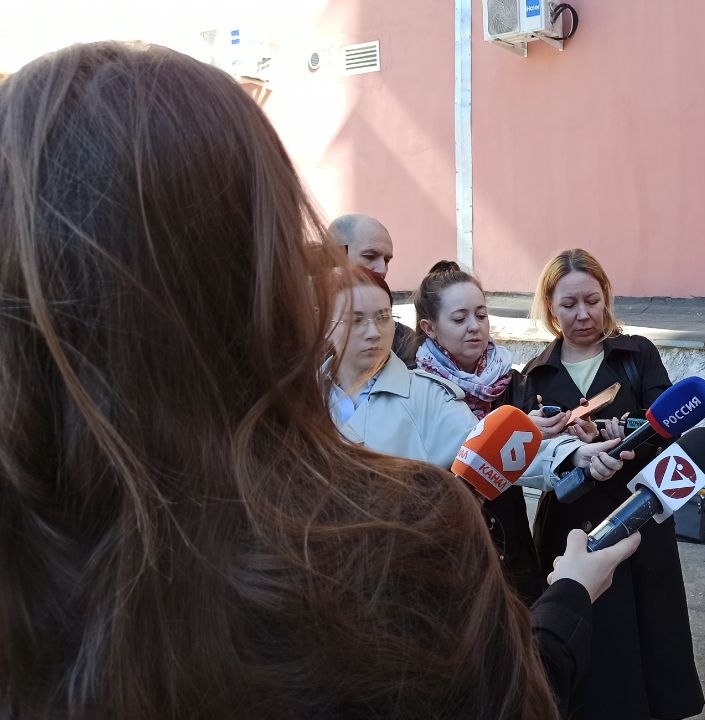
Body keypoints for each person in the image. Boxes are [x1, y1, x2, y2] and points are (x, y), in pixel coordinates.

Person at [0, 41, 632, 719]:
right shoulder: (400, 531)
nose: (371, 318)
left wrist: (567, 450)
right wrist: (563, 605)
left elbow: (492, 445)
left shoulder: (424, 408)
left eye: (382, 304)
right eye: (355, 303)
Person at [325, 265, 633, 599]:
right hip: (325, 574)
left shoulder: (427, 395)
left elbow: (489, 447)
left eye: (383, 317)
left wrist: (572, 453)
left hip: (403, 578)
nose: (373, 332)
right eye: (356, 320)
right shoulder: (297, 397)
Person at [522, 249, 705, 720]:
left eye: (591, 300)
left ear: (606, 298)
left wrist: (624, 433)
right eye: (568, 304)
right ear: (549, 307)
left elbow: (671, 429)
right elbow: (527, 455)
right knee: (582, 631)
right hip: (569, 524)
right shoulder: (535, 374)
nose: (582, 315)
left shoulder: (637, 353)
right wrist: (565, 447)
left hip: (640, 515)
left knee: (647, 635)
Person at [411, 260, 586, 604]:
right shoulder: (416, 388)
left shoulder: (511, 381)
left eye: (481, 314)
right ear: (429, 328)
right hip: (448, 543)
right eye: (459, 319)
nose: (475, 327)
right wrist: (511, 435)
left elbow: (536, 460)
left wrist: (562, 436)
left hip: (510, 540)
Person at [328, 212, 416, 365]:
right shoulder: (293, 333)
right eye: (369, 256)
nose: (382, 269)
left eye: (387, 260)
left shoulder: (404, 339)